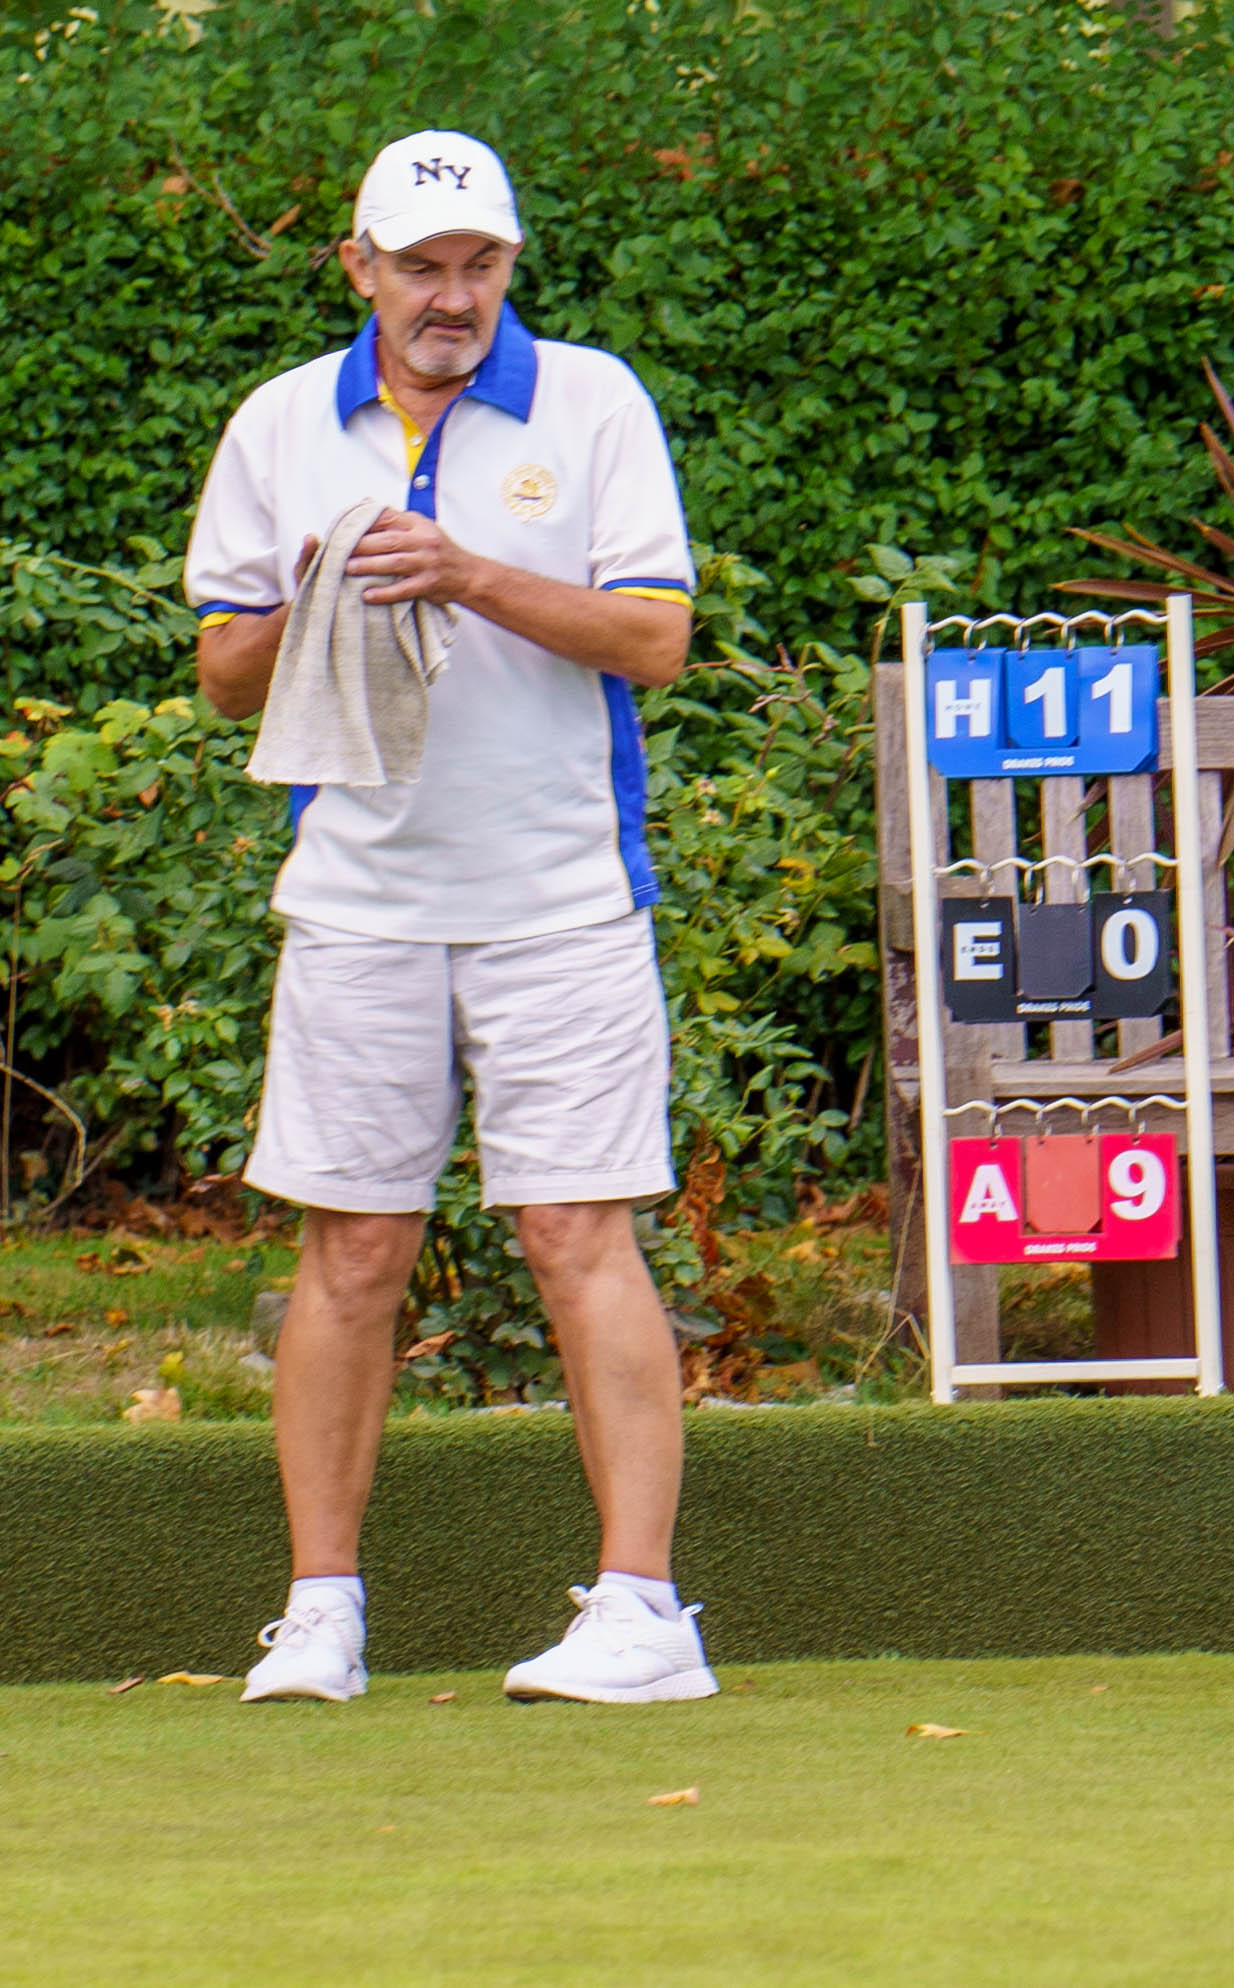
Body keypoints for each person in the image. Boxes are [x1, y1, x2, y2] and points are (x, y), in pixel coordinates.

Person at [187, 131, 713, 1705]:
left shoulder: (594, 401)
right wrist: (308, 601)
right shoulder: (283, 422)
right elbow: (221, 674)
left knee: (577, 1234)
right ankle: (323, 1615)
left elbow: (655, 639)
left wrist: (470, 574)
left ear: (508, 270)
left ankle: (642, 1616)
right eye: (422, 266)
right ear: (359, 267)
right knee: (350, 1250)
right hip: (355, 901)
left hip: (562, 900)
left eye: (480, 265)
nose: (454, 296)